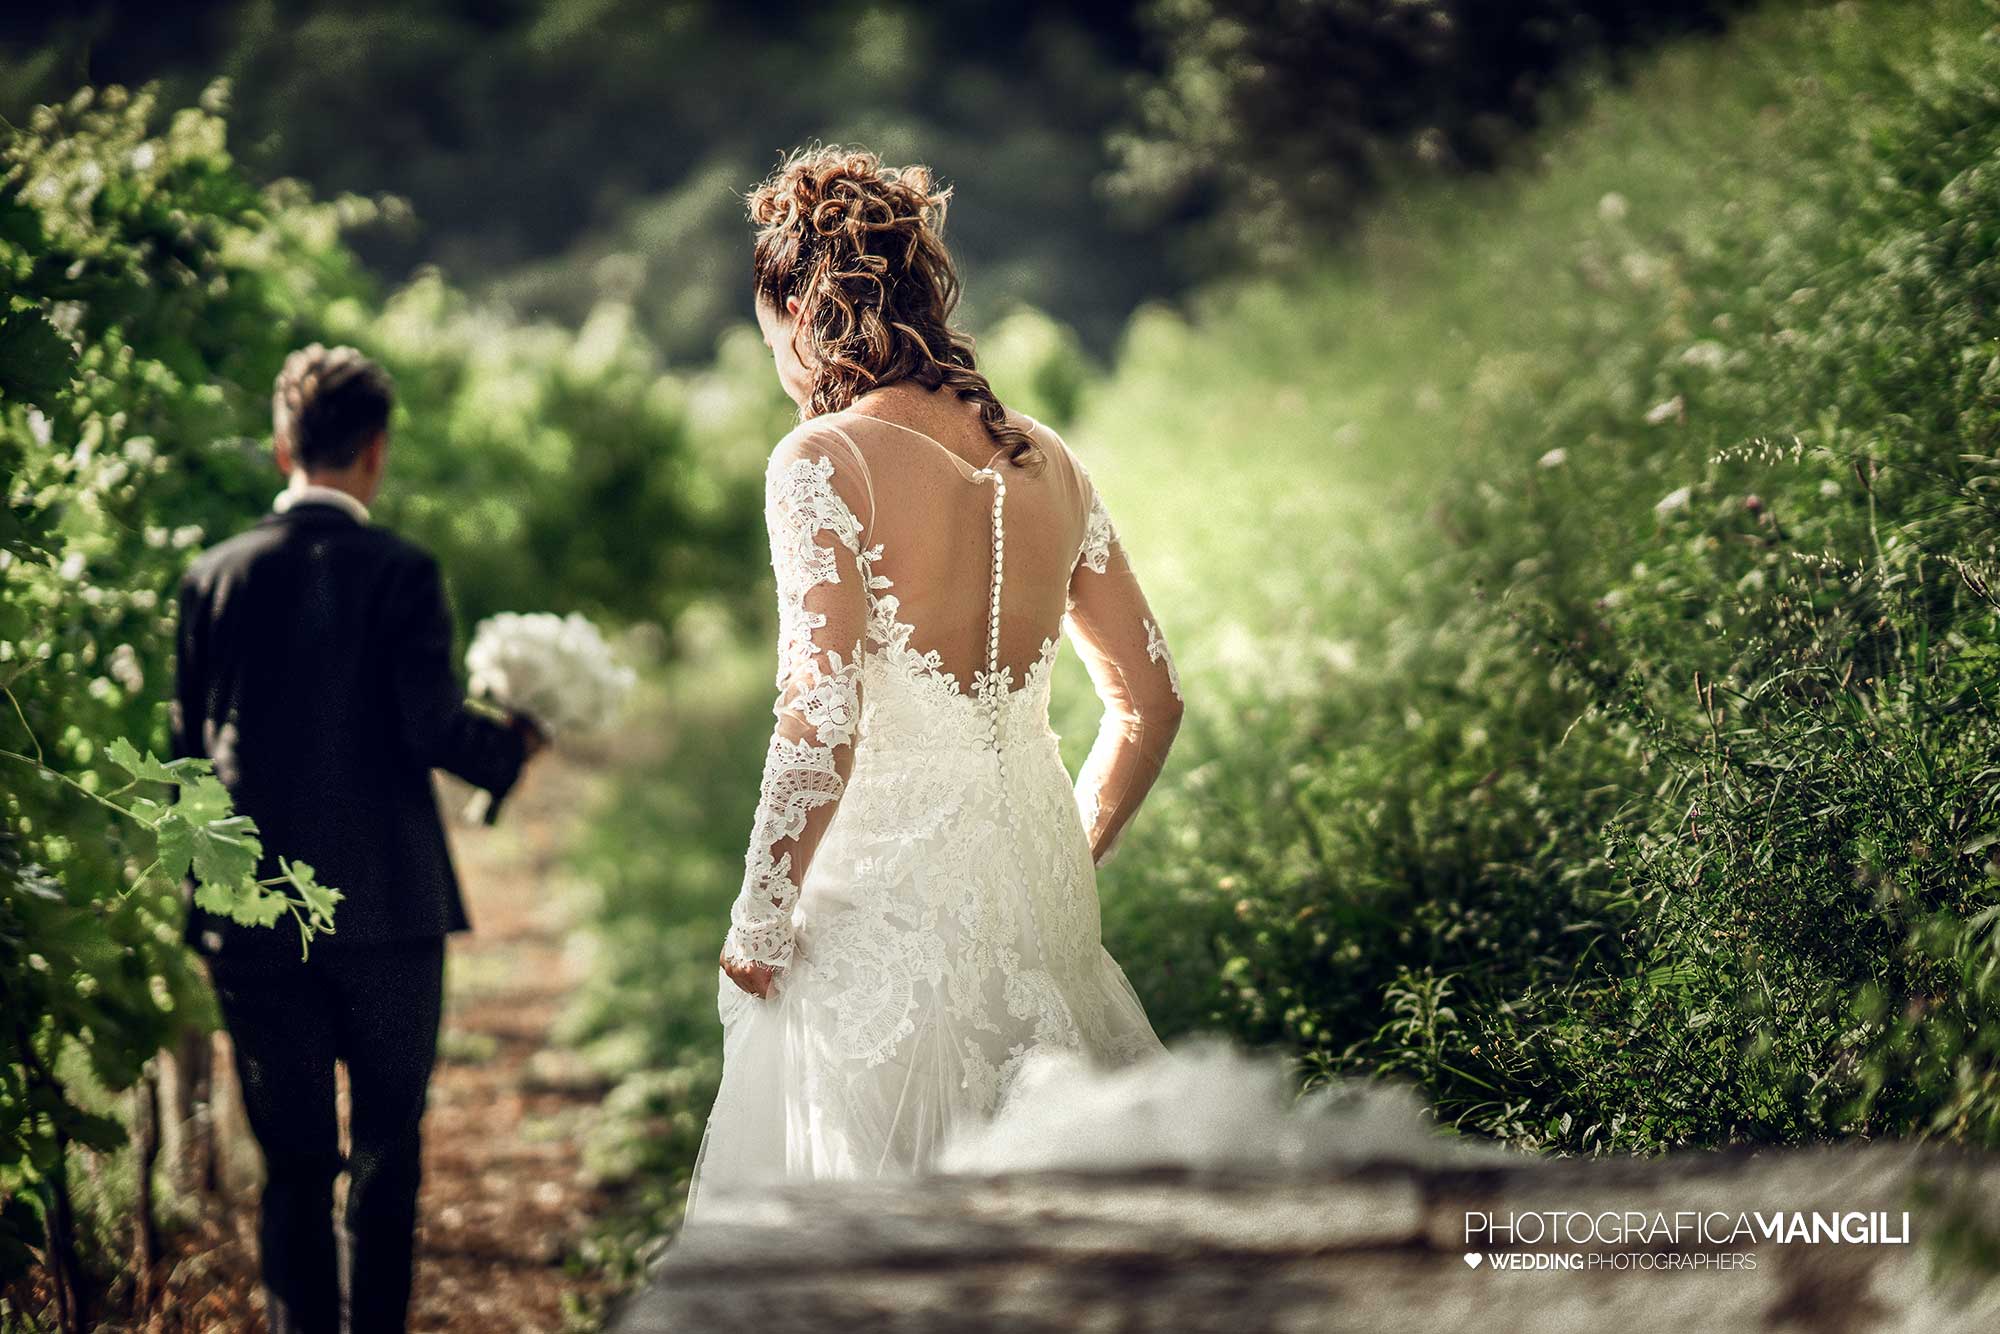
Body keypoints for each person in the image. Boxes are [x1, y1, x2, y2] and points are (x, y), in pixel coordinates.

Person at [684, 147, 1184, 1216]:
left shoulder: (822, 460)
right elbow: (1151, 701)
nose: (781, 370)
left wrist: (760, 916)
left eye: (771, 342)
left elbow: (820, 713)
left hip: (881, 914)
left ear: (802, 313)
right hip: (1040, 896)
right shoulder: (1048, 460)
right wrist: (1070, 846)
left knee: (885, 1228)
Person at [172, 344, 546, 1334]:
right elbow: (429, 728)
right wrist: (512, 744)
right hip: (389, 907)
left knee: (291, 1163)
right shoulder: (403, 573)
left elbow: (184, 758)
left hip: (253, 914)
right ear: (377, 451)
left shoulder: (211, 578)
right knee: (387, 1144)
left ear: (279, 446)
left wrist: (202, 904)